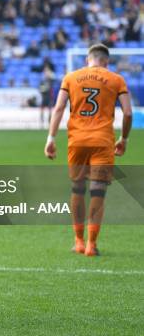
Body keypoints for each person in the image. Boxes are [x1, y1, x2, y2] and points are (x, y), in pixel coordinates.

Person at [44, 43, 132, 257]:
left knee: (77, 189)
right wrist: (124, 139)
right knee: (98, 191)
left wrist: (51, 138)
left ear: (87, 59)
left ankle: (78, 241)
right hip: (103, 141)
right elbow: (128, 113)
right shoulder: (116, 79)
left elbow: (58, 108)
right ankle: (92, 245)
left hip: (77, 141)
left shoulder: (70, 77)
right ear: (106, 61)